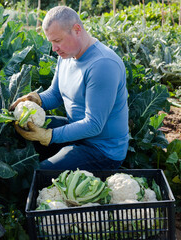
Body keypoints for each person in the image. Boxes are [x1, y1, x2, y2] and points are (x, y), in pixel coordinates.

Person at [9, 6, 129, 171]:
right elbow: (56, 94)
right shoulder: (67, 55)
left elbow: (94, 125)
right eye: (51, 42)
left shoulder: (102, 65)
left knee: (42, 173)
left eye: (57, 41)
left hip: (101, 149)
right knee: (22, 128)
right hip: (77, 132)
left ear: (77, 29)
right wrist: (36, 99)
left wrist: (49, 136)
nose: (54, 48)